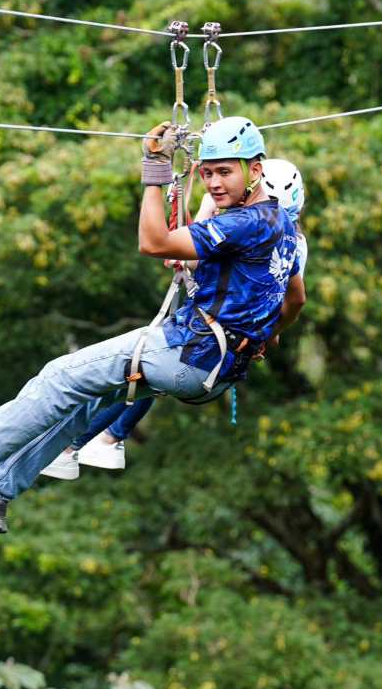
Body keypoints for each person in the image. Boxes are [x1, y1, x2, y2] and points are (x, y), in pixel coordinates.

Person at [0, 117, 305, 533]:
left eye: (225, 172)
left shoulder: (244, 223)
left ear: (255, 169)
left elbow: (154, 242)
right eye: (209, 173)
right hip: (215, 368)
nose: (214, 183)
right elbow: (294, 299)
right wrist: (259, 335)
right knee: (84, 400)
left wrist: (154, 171)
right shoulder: (283, 225)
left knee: (59, 377)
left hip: (186, 350)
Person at [41, 157, 309, 478]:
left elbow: (192, 253)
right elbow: (291, 300)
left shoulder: (254, 229)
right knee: (145, 379)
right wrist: (269, 332)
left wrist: (207, 205)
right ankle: (109, 438)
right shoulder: (291, 239)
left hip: (209, 336)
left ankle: (81, 444)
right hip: (228, 349)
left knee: (138, 371)